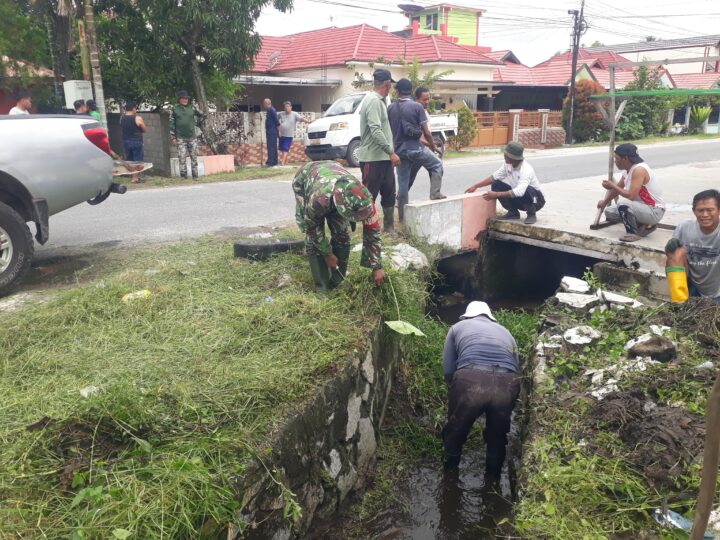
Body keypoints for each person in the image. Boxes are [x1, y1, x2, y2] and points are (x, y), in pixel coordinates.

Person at [441, 301, 520, 480]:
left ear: (468, 315)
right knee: (497, 436)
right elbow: (515, 365)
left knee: (456, 430)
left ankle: (450, 475)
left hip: (470, 382)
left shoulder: (457, 327)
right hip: (506, 383)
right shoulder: (506, 331)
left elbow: (448, 369)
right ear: (489, 316)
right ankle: (493, 480)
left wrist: (454, 390)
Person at [292, 160, 385, 291]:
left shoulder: (365, 201)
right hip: (306, 177)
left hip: (336, 178)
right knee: (313, 240)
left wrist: (377, 266)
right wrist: (327, 254)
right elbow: (312, 228)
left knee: (342, 234)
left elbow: (372, 232)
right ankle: (322, 287)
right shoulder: (318, 200)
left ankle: (336, 281)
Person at [388, 79, 446, 223]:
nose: (427, 101)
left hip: (399, 151)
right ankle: (435, 194)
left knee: (402, 186)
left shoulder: (390, 108)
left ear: (397, 91)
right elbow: (426, 133)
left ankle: (402, 218)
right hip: (415, 149)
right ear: (412, 91)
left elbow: (389, 131)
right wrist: (433, 147)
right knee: (437, 164)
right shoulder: (417, 107)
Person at [357, 69, 401, 233]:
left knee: (389, 193)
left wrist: (388, 154)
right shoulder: (374, 101)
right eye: (391, 85)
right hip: (372, 158)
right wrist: (391, 151)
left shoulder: (380, 100)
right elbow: (375, 130)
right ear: (387, 84)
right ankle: (368, 231)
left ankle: (389, 229)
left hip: (383, 158)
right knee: (369, 196)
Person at [464, 142, 545, 225]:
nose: (504, 155)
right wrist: (476, 186)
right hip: (520, 199)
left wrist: (496, 194)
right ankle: (513, 212)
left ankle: (531, 214)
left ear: (512, 157)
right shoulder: (507, 165)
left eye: (506, 154)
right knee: (496, 184)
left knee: (526, 189)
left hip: (536, 201)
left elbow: (520, 191)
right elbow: (494, 177)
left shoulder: (526, 169)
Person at [598, 143, 665, 243]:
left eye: (617, 158)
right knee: (609, 212)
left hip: (654, 211)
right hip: (641, 209)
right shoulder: (627, 171)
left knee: (623, 204)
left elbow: (631, 195)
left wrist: (612, 185)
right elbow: (617, 189)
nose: (615, 162)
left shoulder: (639, 170)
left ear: (625, 159)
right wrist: (604, 202)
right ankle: (645, 226)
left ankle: (632, 234)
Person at [665, 189, 720, 302]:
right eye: (700, 210)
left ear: (719, 210)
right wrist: (669, 248)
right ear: (694, 211)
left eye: (710, 210)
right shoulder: (685, 227)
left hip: (717, 289)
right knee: (675, 252)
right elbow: (672, 257)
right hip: (692, 285)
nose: (705, 215)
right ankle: (679, 301)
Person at [170, 90, 204, 180]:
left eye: (186, 98)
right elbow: (171, 123)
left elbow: (202, 115)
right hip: (180, 137)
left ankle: (195, 176)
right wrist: (173, 137)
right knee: (182, 157)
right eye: (183, 98)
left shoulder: (192, 108)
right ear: (179, 99)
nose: (185, 100)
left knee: (194, 157)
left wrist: (197, 122)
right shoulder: (174, 109)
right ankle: (183, 176)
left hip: (192, 137)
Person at [120, 100, 146, 183]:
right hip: (136, 141)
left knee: (130, 159)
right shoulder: (137, 118)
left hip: (125, 141)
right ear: (133, 109)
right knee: (137, 160)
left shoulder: (121, 118)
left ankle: (132, 176)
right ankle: (135, 178)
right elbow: (144, 129)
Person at [278, 101, 309, 166]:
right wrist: (277, 128)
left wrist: (308, 121)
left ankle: (282, 163)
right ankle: (286, 162)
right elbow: (275, 118)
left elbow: (301, 119)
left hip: (289, 135)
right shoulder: (281, 114)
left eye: (288, 106)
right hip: (281, 134)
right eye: (285, 107)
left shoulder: (294, 114)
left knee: (285, 148)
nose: (286, 108)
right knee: (282, 149)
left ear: (291, 107)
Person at [263, 98, 280, 167]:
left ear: (267, 103)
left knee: (271, 147)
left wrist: (278, 131)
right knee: (273, 146)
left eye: (264, 103)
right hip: (271, 131)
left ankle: (270, 162)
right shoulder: (269, 110)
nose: (263, 105)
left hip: (272, 132)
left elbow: (276, 121)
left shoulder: (271, 110)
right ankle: (274, 161)